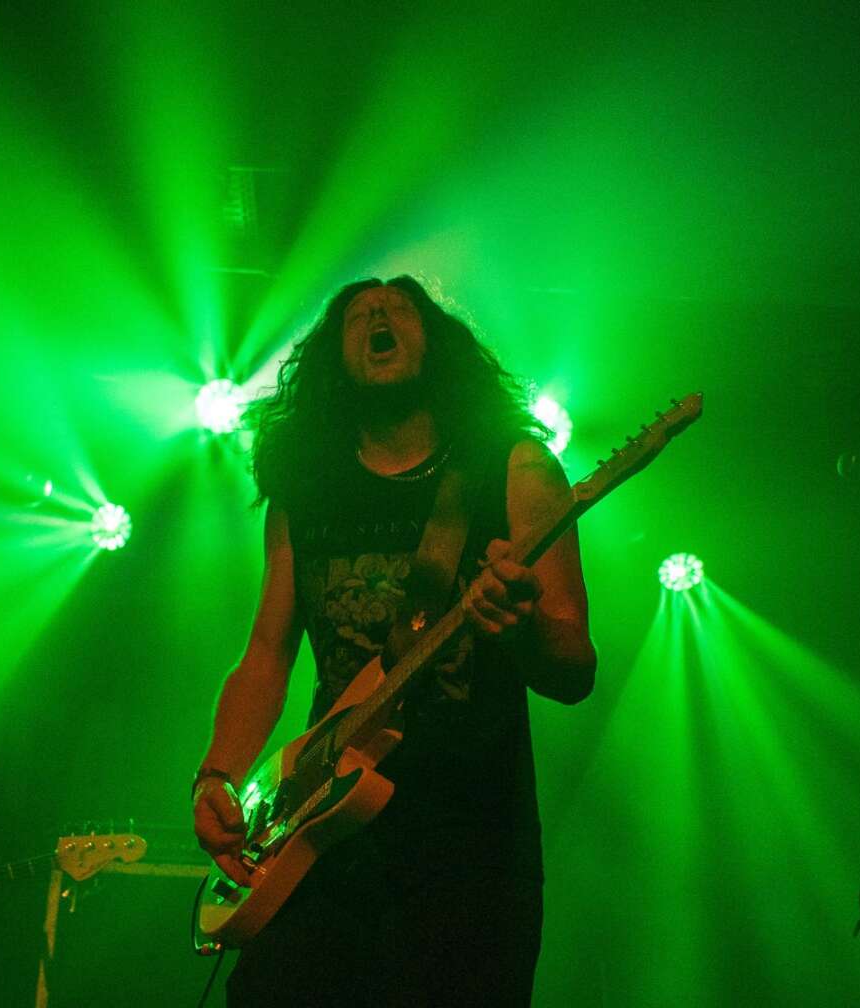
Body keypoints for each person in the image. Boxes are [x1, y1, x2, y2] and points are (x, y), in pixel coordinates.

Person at [193, 276, 598, 1006]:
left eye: (401, 308)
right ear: (331, 359)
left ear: (436, 343)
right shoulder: (303, 491)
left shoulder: (514, 468)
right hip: (322, 838)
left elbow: (574, 667)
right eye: (357, 314)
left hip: (468, 853)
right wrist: (216, 777)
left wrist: (523, 622)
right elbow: (265, 655)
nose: (379, 314)